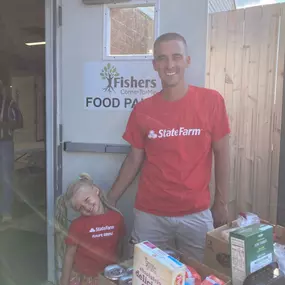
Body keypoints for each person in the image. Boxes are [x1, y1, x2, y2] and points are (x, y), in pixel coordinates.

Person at [107, 32, 230, 262]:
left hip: (196, 213)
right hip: (150, 215)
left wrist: (221, 202)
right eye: (162, 58)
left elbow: (222, 152)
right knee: (147, 274)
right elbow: (134, 160)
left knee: (198, 275)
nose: (169, 64)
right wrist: (110, 199)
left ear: (187, 61)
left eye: (176, 56)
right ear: (155, 65)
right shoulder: (143, 110)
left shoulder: (212, 101)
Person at [60, 173, 126, 285]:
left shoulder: (117, 218)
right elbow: (69, 255)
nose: (86, 207)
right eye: (80, 208)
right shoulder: (77, 225)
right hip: (83, 279)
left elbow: (120, 246)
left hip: (108, 277)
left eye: (87, 200)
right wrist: (63, 282)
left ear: (96, 190)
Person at [0, 80, 23, 223]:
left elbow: (20, 122)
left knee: (6, 178)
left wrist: (4, 124)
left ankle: (6, 212)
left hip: (5, 144)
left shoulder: (9, 103)